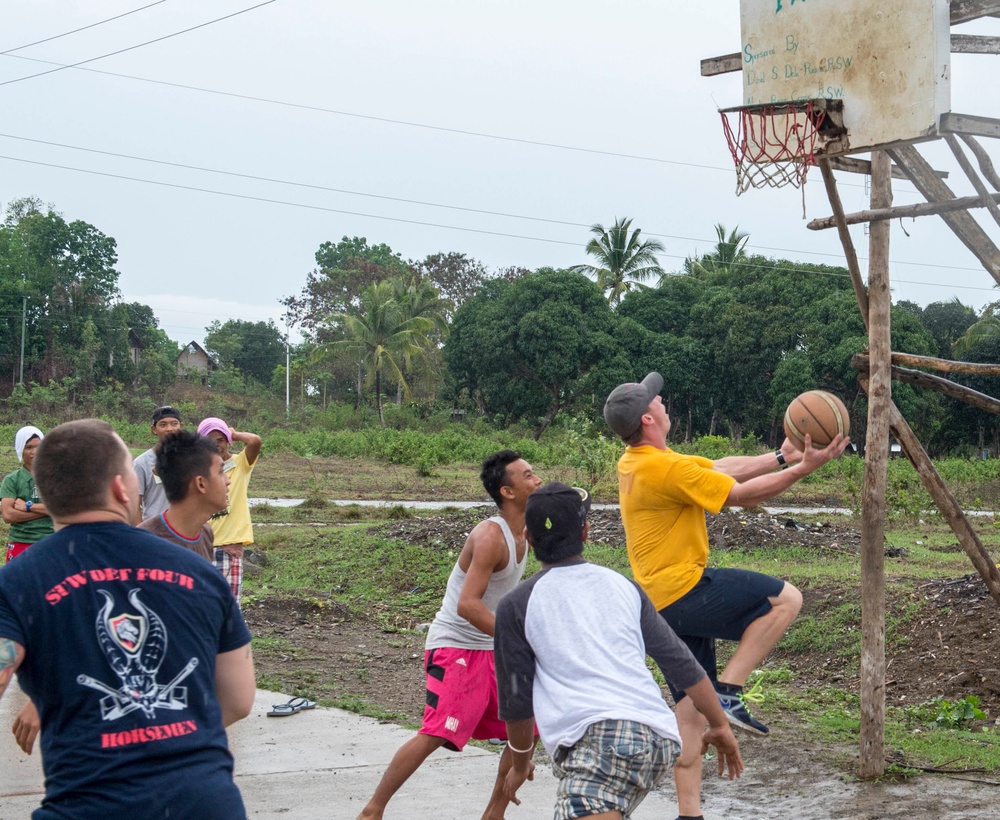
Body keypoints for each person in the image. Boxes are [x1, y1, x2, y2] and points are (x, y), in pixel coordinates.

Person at [603, 372, 849, 820]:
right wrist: (804, 468)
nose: (662, 400)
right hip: (684, 592)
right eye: (655, 399)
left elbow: (717, 469)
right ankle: (731, 692)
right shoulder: (664, 468)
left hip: (658, 606)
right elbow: (738, 495)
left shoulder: (638, 460)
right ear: (647, 417)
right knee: (785, 600)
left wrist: (780, 455)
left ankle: (689, 814)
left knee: (691, 717)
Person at [0, 418, 256, 819]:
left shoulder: (15, 582)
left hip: (88, 805)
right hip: (205, 804)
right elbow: (239, 700)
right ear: (122, 488)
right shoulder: (202, 573)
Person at [495, 482, 743, 818]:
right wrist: (719, 724)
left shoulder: (516, 605)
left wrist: (520, 763)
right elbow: (682, 664)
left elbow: (517, 700)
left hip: (600, 738)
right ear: (585, 532)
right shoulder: (623, 586)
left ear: (527, 536)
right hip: (657, 738)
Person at [357, 449, 543, 820]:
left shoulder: (528, 532)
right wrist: (517, 641)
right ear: (507, 492)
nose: (537, 480)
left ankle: (494, 813)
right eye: (527, 476)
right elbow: (468, 606)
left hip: (491, 649)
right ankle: (372, 810)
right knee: (437, 731)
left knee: (526, 729)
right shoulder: (491, 535)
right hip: (456, 646)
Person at [138, 430, 231, 563]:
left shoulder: (205, 533)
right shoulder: (146, 543)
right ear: (200, 483)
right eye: (221, 472)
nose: (228, 480)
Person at [196, 417, 262, 603]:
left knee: (230, 608)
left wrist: (233, 433)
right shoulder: (198, 469)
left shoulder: (239, 464)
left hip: (229, 547)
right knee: (204, 605)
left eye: (221, 440)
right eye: (209, 441)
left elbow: (255, 441)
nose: (216, 445)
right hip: (202, 547)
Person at [1, 425, 54, 562]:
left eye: (38, 446)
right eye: (29, 447)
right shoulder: (12, 480)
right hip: (21, 541)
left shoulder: (55, 477)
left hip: (51, 541)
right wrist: (48, 509)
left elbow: (66, 509)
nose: (34, 452)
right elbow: (8, 515)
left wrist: (28, 506)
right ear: (20, 449)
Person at [133, 405, 183, 521]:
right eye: (163, 424)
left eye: (174, 423)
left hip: (185, 532)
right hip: (154, 531)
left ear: (181, 427)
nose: (169, 429)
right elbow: (134, 505)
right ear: (154, 429)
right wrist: (141, 535)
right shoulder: (141, 463)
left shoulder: (191, 458)